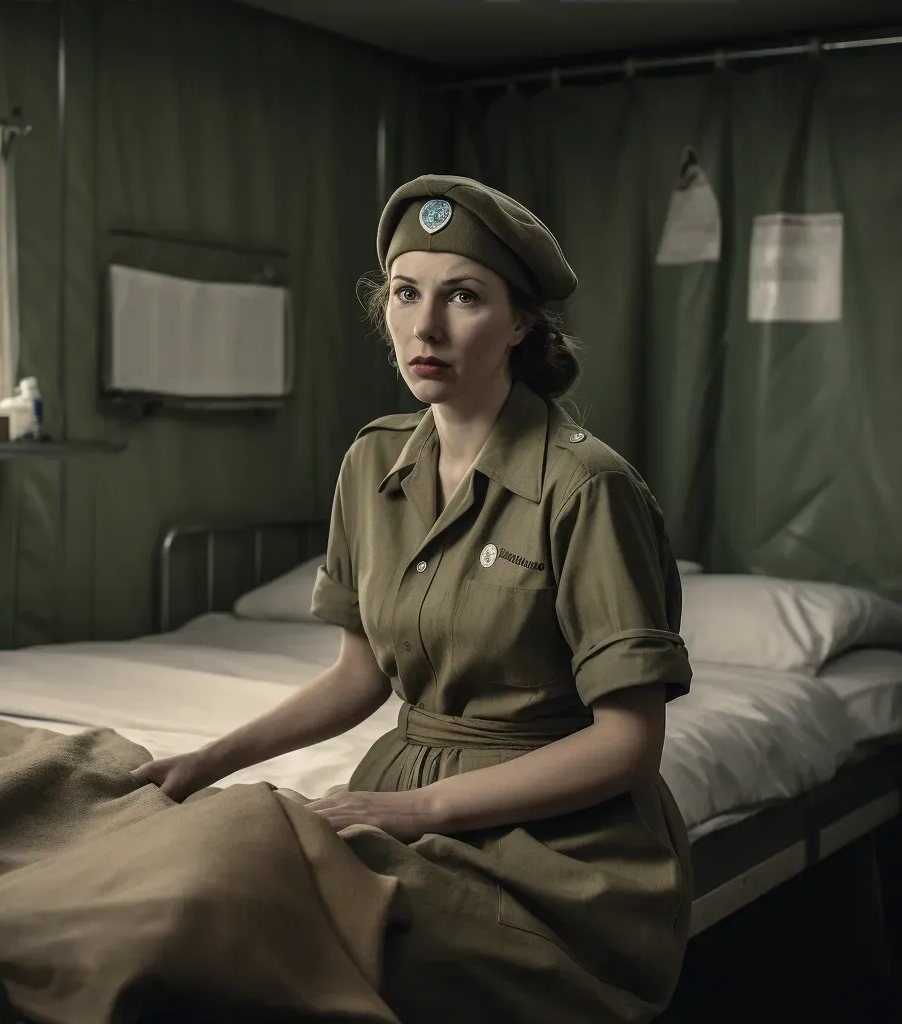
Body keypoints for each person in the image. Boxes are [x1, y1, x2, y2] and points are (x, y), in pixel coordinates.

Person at [133, 174, 693, 1022]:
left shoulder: (586, 486)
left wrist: (414, 807)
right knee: (212, 898)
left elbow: (628, 743)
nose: (424, 327)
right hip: (400, 796)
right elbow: (360, 678)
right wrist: (205, 764)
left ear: (520, 324)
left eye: (462, 297)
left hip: (561, 842)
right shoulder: (372, 463)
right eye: (405, 294)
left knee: (339, 956)